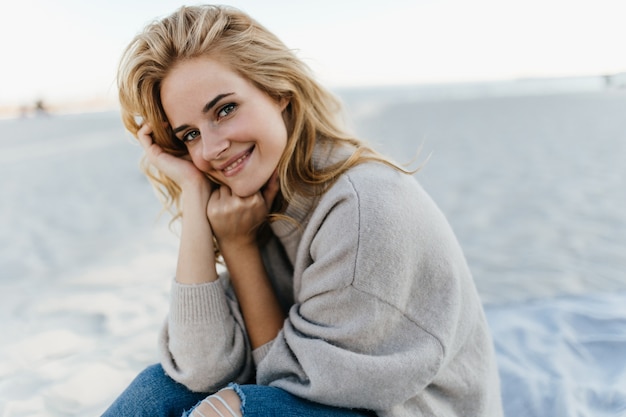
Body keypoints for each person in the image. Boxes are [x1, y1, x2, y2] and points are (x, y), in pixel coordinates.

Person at [103, 5, 503, 417]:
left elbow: (283, 387)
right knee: (156, 391)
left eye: (224, 110)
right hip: (325, 396)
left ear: (278, 91)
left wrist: (241, 253)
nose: (211, 148)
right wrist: (193, 193)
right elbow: (201, 368)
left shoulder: (362, 212)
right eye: (189, 134)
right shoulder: (254, 203)